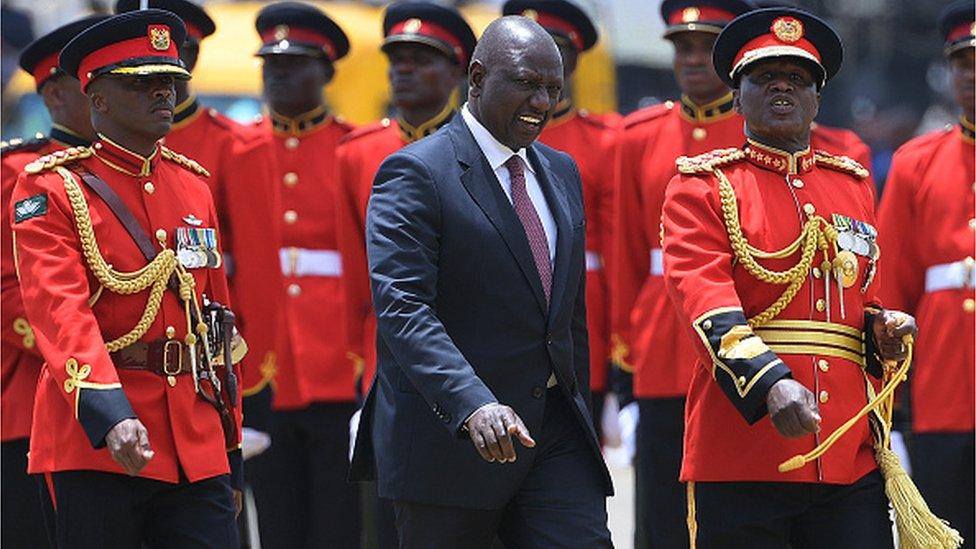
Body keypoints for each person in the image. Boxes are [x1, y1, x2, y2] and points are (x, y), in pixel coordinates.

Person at [351, 15, 613, 548]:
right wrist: (471, 403)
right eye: (526, 84)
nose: (542, 103)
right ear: (476, 77)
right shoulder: (416, 172)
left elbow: (566, 312)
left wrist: (585, 401)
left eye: (554, 89)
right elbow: (404, 307)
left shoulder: (559, 171)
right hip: (451, 443)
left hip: (553, 437)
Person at [662, 7, 917, 547]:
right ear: (738, 96)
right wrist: (770, 382)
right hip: (745, 448)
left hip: (847, 452)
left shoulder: (850, 184)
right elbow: (703, 300)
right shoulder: (703, 187)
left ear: (817, 100)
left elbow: (856, 296)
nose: (782, 87)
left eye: (797, 79)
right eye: (764, 77)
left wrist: (879, 327)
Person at [11, 9, 243, 548]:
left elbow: (216, 323)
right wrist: (109, 412)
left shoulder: (192, 188)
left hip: (195, 435)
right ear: (98, 100)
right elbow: (60, 311)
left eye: (170, 81)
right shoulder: (51, 188)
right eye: (144, 83)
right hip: (99, 437)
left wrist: (230, 449)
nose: (164, 93)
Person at [608, 2, 753, 547]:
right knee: (661, 516)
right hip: (660, 351)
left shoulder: (757, 127)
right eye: (682, 47)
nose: (692, 60)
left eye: (705, 47)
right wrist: (625, 359)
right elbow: (625, 251)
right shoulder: (639, 135)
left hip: (739, 344)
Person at [334, 3, 475, 547]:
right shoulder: (359, 154)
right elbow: (356, 275)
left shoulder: (481, 148)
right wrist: (357, 376)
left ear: (459, 72)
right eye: (398, 59)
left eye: (423, 59)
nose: (405, 70)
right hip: (389, 360)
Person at [248, 3, 360, 547]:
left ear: (327, 72)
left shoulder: (355, 148)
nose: (279, 75)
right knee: (275, 521)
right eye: (271, 64)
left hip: (338, 358)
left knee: (340, 522)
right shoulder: (240, 148)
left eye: (295, 65)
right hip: (263, 365)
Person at [1, 15, 106, 548]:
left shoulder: (124, 168)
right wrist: (84, 350)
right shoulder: (19, 172)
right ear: (57, 94)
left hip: (126, 394)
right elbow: (8, 292)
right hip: (34, 400)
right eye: (95, 82)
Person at [876, 1, 975, 545]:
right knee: (947, 530)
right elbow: (893, 285)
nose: (974, 74)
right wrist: (897, 398)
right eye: (964, 62)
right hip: (941, 391)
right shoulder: (917, 161)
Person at [502, 0, 616, 442]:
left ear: (570, 61)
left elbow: (614, 258)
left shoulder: (605, 143)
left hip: (579, 320)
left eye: (552, 49)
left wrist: (617, 371)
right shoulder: (491, 134)